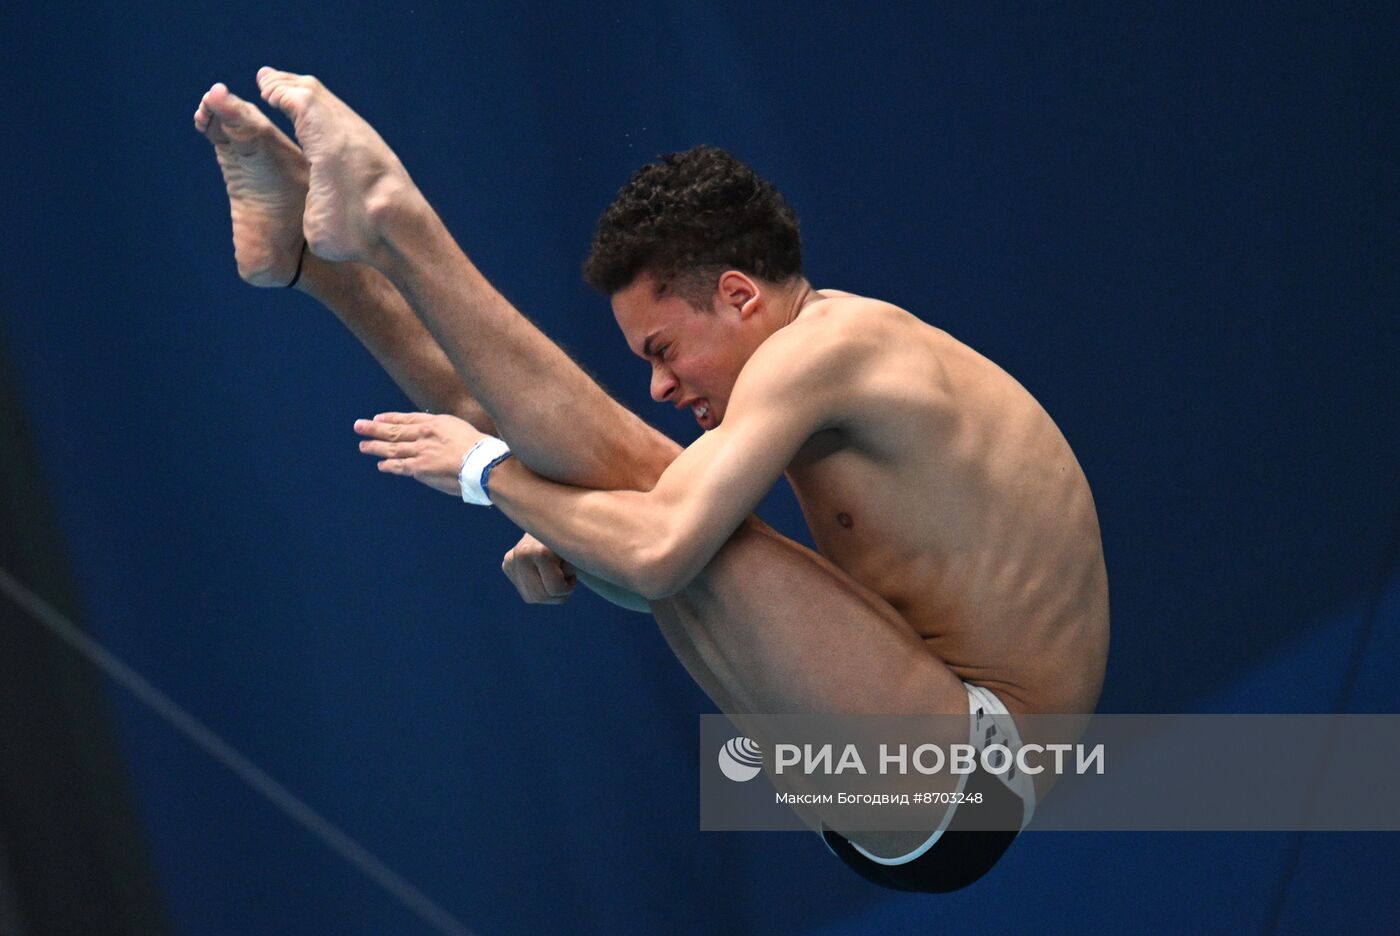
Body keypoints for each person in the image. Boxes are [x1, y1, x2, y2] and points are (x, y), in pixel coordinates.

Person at [194, 67, 1109, 892]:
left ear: (743, 295)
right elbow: (651, 553)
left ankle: (389, 219)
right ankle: (322, 264)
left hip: (973, 774)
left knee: (627, 491)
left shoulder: (833, 347)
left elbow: (660, 557)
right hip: (906, 764)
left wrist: (490, 478)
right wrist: (557, 515)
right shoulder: (808, 364)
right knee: (614, 482)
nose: (662, 384)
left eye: (665, 350)